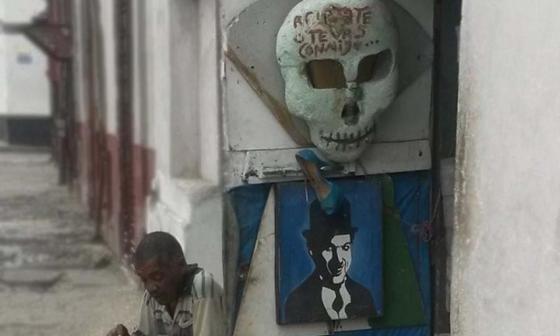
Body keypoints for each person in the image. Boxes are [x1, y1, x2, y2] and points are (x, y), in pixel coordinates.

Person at [106, 232, 225, 336]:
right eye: (144, 280)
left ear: (181, 265)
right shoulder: (152, 297)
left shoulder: (202, 288)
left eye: (157, 276)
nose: (151, 287)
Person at [284, 199, 376, 324]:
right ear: (312, 249)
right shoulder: (297, 301)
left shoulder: (364, 296)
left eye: (345, 247)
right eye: (329, 249)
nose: (338, 260)